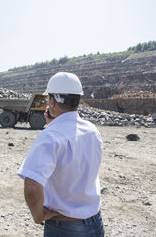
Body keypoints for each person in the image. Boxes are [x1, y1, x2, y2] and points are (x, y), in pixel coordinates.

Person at [17, 72, 104, 236]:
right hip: (96, 223)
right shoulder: (92, 131)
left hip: (64, 227)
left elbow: (32, 186)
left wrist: (38, 215)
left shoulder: (49, 137)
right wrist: (54, 125)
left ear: (52, 101)